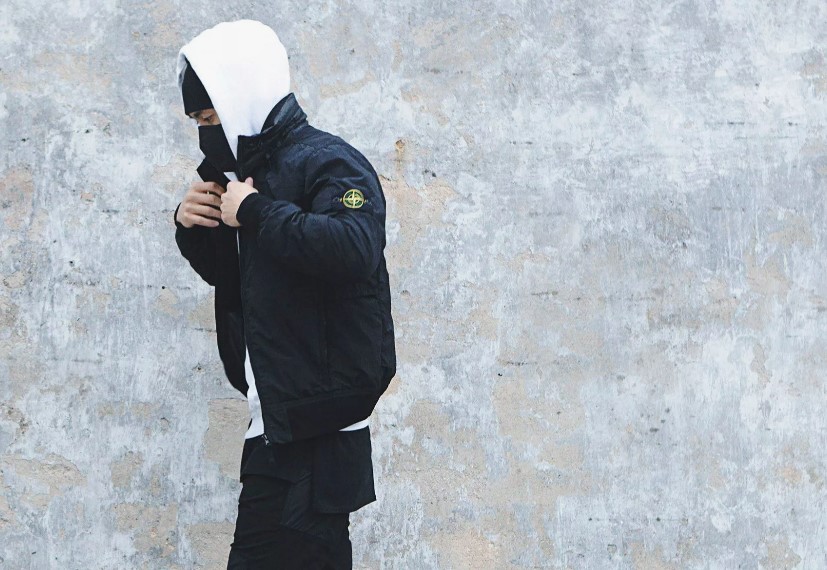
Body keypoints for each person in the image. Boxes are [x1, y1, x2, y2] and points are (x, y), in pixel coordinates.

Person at [171, 20, 396, 569]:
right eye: (199, 122)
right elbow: (246, 287)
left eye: (210, 118)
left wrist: (253, 211)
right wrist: (193, 227)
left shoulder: (329, 162)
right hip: (278, 417)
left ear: (239, 97)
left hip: (315, 426)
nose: (205, 133)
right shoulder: (246, 178)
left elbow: (353, 247)